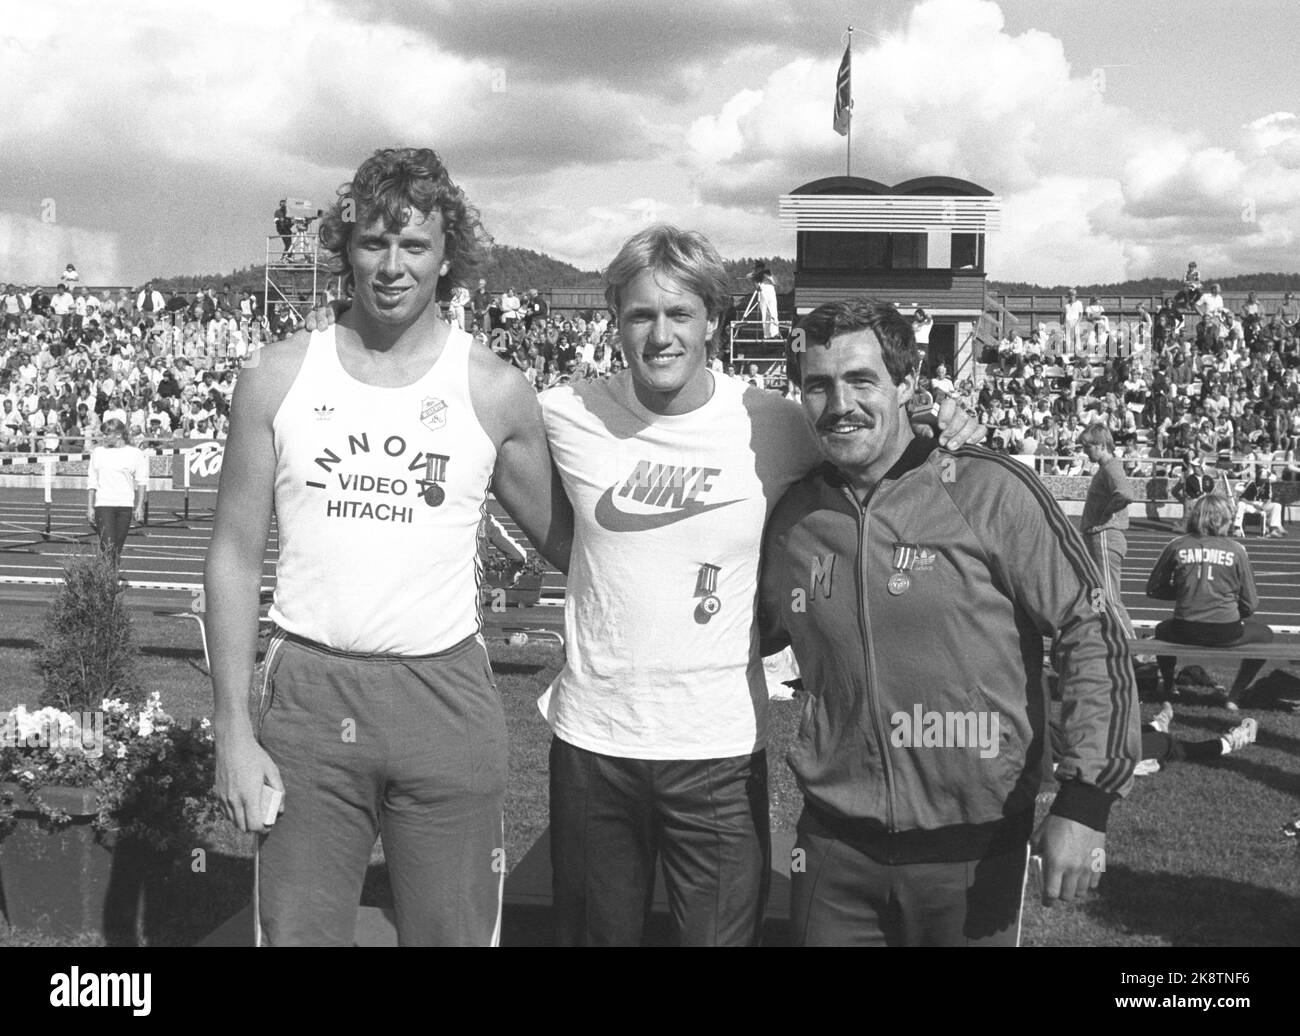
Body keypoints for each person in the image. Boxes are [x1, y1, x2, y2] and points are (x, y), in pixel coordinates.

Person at [535, 228, 982, 947]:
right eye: (640, 315)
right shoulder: (564, 413)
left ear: (713, 319)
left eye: (679, 314)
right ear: (614, 319)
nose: (660, 335)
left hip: (717, 746)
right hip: (595, 742)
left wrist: (941, 419)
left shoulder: (771, 422)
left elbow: (877, 445)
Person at [206, 146, 572, 947]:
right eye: (373, 242)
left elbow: (574, 546)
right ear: (345, 250)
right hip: (306, 695)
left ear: (448, 258)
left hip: (444, 698)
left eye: (415, 245)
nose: (393, 266)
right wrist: (233, 733)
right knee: (300, 937)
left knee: (453, 935)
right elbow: (232, 557)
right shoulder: (275, 377)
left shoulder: (492, 387)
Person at [758, 298, 1139, 946]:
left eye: (861, 380)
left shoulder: (988, 489)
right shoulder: (795, 519)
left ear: (908, 384)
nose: (838, 403)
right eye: (818, 385)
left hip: (973, 849)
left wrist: (1086, 798)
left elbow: (1091, 627)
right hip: (831, 844)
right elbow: (744, 632)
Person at [1145, 493, 1274, 707]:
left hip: (1183, 628)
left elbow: (1153, 589)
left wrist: (1185, 593)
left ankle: (1169, 686)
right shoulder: (1236, 550)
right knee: (1265, 634)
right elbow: (1251, 604)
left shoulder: (1177, 545)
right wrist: (1230, 611)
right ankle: (1234, 696)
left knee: (1161, 630)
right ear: (1223, 519)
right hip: (1225, 630)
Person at [1078, 422, 1136, 638]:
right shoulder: (1105, 469)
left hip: (1104, 536)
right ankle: (1103, 637)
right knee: (1097, 593)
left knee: (1108, 595)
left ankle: (1133, 648)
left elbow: (1125, 494)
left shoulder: (1111, 467)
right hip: (1096, 537)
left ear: (1102, 444)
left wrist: (1105, 513)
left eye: (1088, 447)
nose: (1085, 452)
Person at [86, 417, 148, 564]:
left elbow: (142, 481)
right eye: (103, 434)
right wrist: (89, 507)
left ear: (119, 434)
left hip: (125, 505)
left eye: (107, 434)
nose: (103, 437)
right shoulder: (98, 452)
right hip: (104, 504)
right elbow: (92, 481)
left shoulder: (134, 454)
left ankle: (110, 579)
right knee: (108, 545)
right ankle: (105, 580)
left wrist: (140, 506)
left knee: (117, 548)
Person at [1232, 466, 1285, 538]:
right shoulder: (1251, 484)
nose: (1265, 481)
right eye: (1264, 480)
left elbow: (1268, 499)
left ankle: (1273, 529)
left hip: (1261, 505)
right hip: (1249, 504)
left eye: (1266, 479)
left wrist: (1265, 504)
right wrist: (1253, 505)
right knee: (1240, 504)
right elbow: (1242, 499)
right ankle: (1237, 528)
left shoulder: (1267, 484)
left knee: (1277, 506)